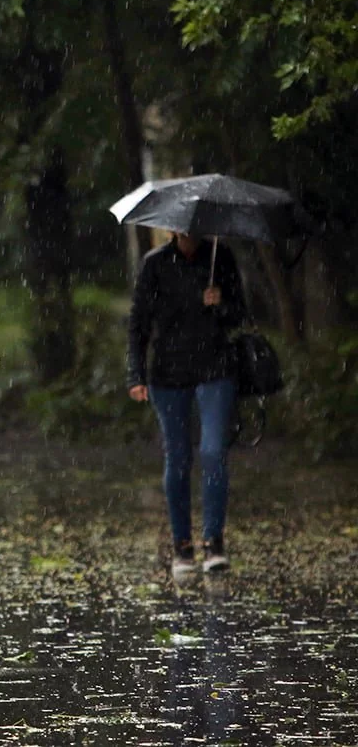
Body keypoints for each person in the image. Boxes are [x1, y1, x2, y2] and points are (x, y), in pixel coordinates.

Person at [127, 231, 248, 576]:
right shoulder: (155, 264)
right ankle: (182, 545)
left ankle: (214, 542)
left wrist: (220, 303)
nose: (188, 233)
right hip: (168, 373)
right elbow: (138, 324)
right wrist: (135, 375)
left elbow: (240, 314)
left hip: (215, 369)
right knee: (178, 457)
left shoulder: (219, 258)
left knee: (212, 452)